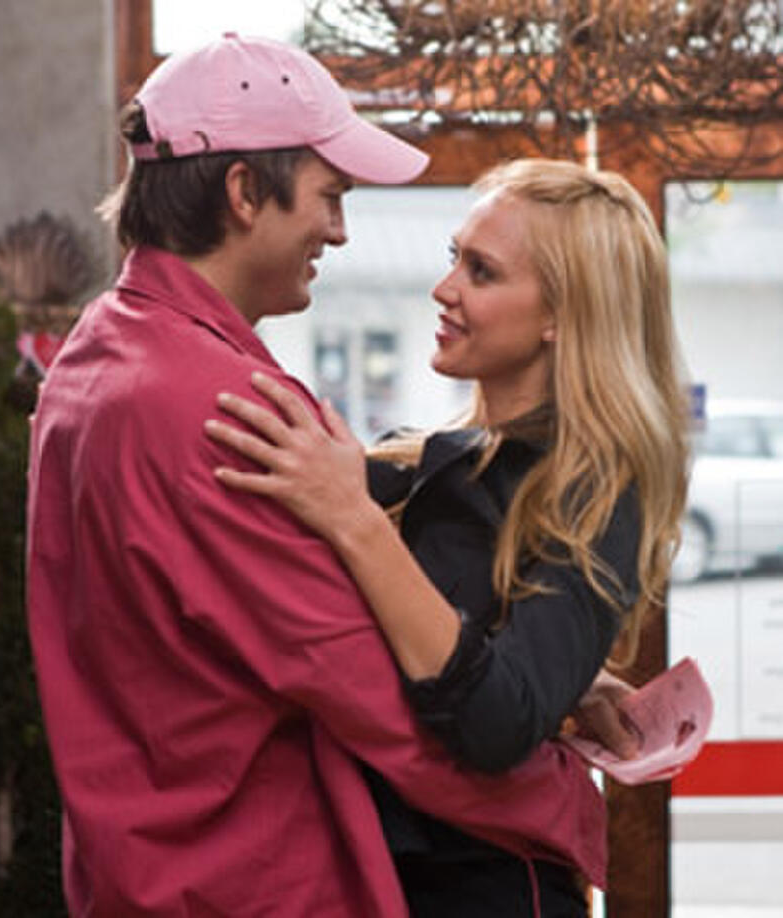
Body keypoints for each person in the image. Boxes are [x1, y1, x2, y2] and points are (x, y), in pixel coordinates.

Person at [26, 35, 635, 917]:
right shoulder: (226, 407)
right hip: (251, 879)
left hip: (140, 869)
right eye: (330, 195)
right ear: (243, 194)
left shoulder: (100, 351)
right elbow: (368, 691)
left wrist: (552, 677)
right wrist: (561, 801)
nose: (342, 230)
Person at [203, 157, 691, 916]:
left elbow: (495, 723)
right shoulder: (409, 462)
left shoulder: (595, 491)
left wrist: (357, 524)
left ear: (565, 314)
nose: (445, 289)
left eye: (483, 271)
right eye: (453, 259)